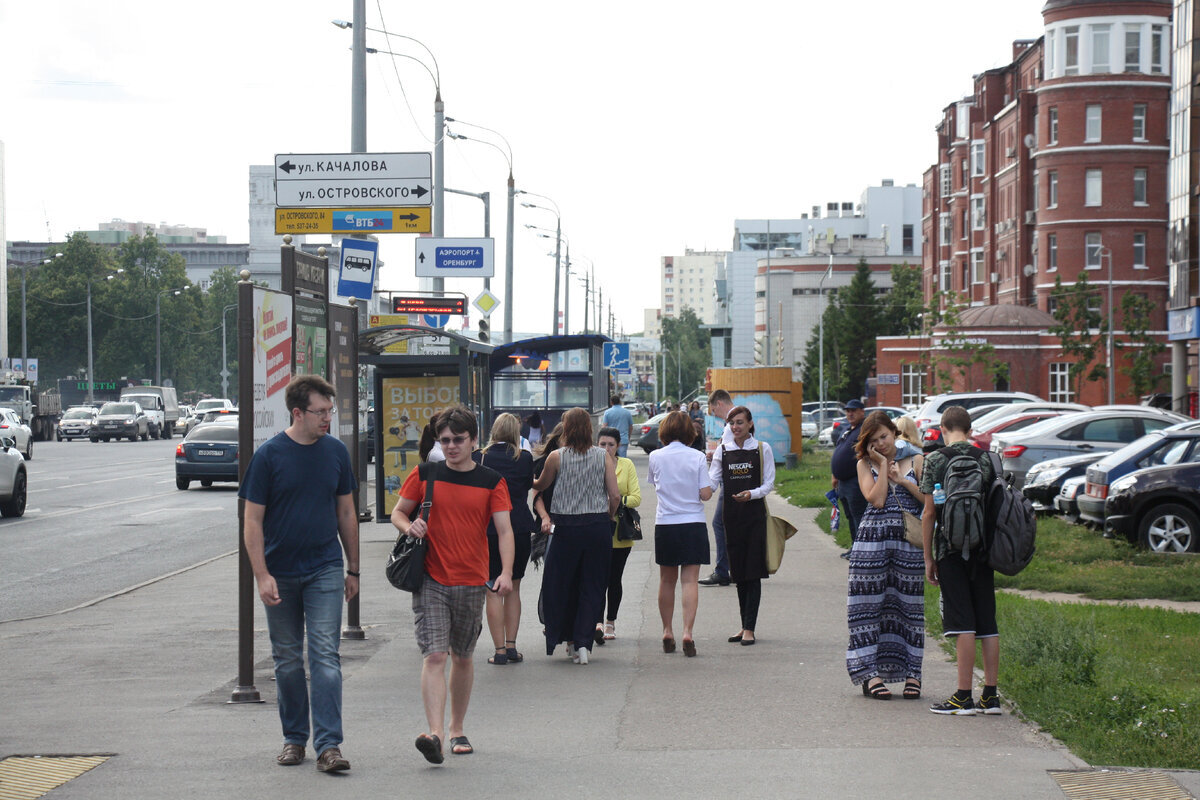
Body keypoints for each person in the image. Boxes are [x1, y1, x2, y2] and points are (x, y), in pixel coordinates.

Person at [240, 374, 358, 773]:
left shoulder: (336, 453)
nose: (328, 418)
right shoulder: (270, 456)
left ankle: (329, 746)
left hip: (324, 567)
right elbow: (252, 521)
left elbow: (346, 512)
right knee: (288, 660)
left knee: (325, 656)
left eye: (330, 411)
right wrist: (261, 575)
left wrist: (353, 568)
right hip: (280, 572)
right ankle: (294, 739)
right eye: (320, 412)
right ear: (297, 412)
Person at [391, 405, 515, 762]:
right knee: (435, 655)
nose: (451, 446)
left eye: (458, 440)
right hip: (430, 577)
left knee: (462, 657)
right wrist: (408, 526)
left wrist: (505, 572)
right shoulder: (426, 473)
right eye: (444, 440)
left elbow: (504, 530)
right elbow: (400, 512)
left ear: (474, 441)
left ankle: (456, 728)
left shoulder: (492, 480)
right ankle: (434, 734)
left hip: (472, 580)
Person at [919, 405, 1001, 716]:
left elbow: (928, 513)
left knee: (962, 622)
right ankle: (990, 697)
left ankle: (963, 696)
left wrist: (929, 557)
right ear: (969, 430)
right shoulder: (985, 458)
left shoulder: (936, 460)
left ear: (942, 429)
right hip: (982, 550)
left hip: (949, 549)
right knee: (987, 623)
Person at [845, 411, 926, 700]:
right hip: (871, 545)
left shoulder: (916, 459)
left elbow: (928, 502)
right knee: (867, 610)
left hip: (908, 545)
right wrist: (881, 465)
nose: (881, 443)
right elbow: (876, 500)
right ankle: (870, 675)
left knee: (909, 609)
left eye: (884, 436)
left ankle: (912, 676)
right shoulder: (864, 464)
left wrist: (902, 481)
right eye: (874, 440)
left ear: (894, 432)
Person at [532, 408, 620, 665]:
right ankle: (583, 643)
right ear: (589, 430)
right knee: (592, 584)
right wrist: (610, 516)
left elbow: (541, 485)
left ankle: (567, 637)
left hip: (566, 528)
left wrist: (529, 477)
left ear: (566, 429)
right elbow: (614, 495)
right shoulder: (603, 456)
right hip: (597, 526)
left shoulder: (557, 457)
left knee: (561, 583)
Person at [648, 410, 714, 657]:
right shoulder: (697, 457)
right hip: (692, 523)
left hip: (665, 523)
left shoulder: (655, 456)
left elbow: (655, 484)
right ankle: (687, 631)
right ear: (690, 432)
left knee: (667, 580)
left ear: (664, 430)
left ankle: (667, 630)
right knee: (689, 581)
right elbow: (705, 493)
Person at [472, 413, 536, 666]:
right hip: (518, 527)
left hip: (487, 529)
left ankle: (498, 651)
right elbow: (529, 486)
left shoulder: (479, 457)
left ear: (494, 431)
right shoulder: (525, 458)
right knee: (513, 587)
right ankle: (511, 646)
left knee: (491, 590)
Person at [708, 405, 775, 646]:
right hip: (731, 517)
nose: (735, 427)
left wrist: (752, 494)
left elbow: (769, 484)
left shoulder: (761, 449)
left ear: (750, 424)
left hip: (754, 516)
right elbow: (712, 482)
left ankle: (750, 628)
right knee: (738, 572)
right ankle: (743, 624)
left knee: (752, 571)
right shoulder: (722, 451)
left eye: (739, 422)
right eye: (732, 423)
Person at [596, 426, 642, 641]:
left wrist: (615, 501)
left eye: (611, 445)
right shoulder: (592, 463)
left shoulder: (626, 465)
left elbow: (636, 497)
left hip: (620, 532)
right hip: (596, 529)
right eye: (602, 444)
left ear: (618, 446)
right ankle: (595, 622)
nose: (606, 448)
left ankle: (610, 622)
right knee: (596, 579)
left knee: (614, 579)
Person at [699, 389, 735, 586]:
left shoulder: (731, 424)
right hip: (736, 479)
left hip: (730, 481)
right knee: (731, 525)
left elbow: (728, 455)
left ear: (719, 404)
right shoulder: (738, 419)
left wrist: (709, 486)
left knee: (719, 524)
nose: (715, 416)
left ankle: (722, 570)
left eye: (714, 411)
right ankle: (737, 568)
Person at [830, 399, 868, 559]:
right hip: (843, 482)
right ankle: (854, 547)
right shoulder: (847, 430)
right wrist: (835, 475)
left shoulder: (864, 430)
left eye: (853, 410)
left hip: (855, 480)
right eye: (847, 411)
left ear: (862, 412)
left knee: (858, 514)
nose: (850, 413)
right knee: (849, 515)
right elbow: (839, 451)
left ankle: (862, 549)